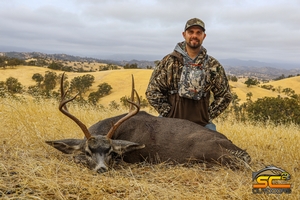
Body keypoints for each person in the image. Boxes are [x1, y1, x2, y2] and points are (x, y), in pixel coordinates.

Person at [145, 18, 232, 131]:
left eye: (198, 33)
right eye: (190, 32)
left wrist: (207, 115)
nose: (194, 36)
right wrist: (168, 112)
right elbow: (152, 91)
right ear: (184, 34)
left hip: (201, 124)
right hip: (170, 121)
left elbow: (225, 95)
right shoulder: (168, 61)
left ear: (204, 36)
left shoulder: (213, 65)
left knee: (216, 145)